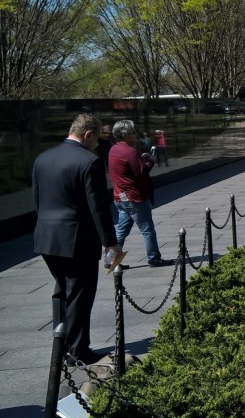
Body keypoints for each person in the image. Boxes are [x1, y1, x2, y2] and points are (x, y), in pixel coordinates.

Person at [33, 114, 119, 365]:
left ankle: (61, 343)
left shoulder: (42, 158)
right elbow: (98, 207)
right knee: (80, 294)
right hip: (77, 238)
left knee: (62, 291)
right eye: (97, 139)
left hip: (47, 237)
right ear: (87, 135)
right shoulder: (89, 161)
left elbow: (39, 201)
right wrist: (110, 242)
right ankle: (78, 350)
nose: (98, 145)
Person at [110, 119, 172, 268]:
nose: (136, 136)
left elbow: (129, 169)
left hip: (120, 197)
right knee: (147, 229)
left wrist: (140, 159)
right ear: (125, 135)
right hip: (134, 198)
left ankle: (111, 260)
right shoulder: (130, 152)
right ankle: (154, 258)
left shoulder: (114, 149)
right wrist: (150, 161)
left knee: (121, 230)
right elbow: (141, 173)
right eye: (133, 133)